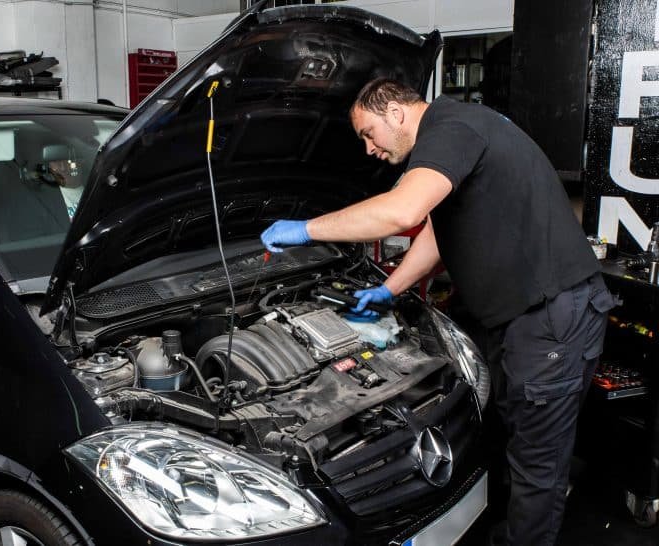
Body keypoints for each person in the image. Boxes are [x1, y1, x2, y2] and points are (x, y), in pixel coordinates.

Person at [260, 78, 616, 546]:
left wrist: (306, 229)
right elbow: (435, 232)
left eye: (369, 133)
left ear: (396, 112)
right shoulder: (456, 129)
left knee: (538, 468)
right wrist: (389, 289)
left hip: (550, 320)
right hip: (527, 319)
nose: (368, 149)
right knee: (516, 442)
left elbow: (403, 212)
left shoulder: (451, 128)